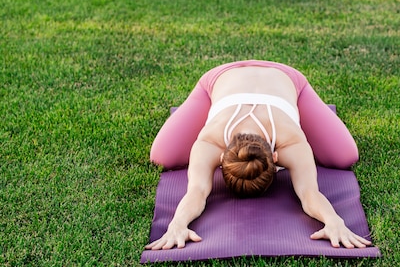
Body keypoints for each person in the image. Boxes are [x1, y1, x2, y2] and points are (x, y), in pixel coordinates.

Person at [145, 60, 372, 250]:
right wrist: (177, 224)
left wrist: (334, 220)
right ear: (276, 159)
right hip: (222, 80)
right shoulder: (210, 141)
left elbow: (310, 193)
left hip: (288, 78)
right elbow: (196, 192)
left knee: (345, 156)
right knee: (161, 156)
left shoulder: (290, 138)